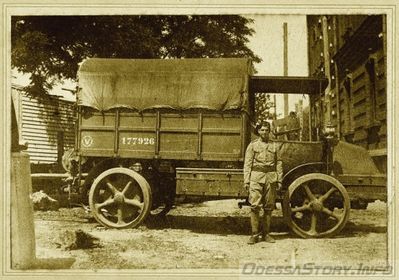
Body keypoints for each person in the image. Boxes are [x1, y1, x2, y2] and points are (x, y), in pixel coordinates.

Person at [243, 121, 283, 244]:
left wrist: (279, 179)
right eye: (262, 130)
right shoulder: (253, 145)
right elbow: (248, 164)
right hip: (256, 177)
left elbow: (279, 163)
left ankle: (266, 234)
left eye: (266, 130)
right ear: (258, 131)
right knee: (255, 206)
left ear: (269, 131)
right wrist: (246, 180)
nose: (264, 132)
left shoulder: (275, 146)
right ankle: (254, 234)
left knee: (269, 207)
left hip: (271, 178)